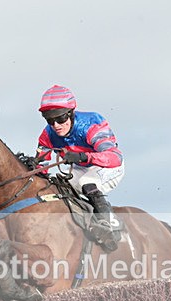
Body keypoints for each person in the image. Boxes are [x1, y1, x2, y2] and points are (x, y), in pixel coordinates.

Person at [35, 85, 124, 251]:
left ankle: (108, 225)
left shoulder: (91, 124)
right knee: (57, 186)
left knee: (87, 181)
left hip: (107, 166)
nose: (56, 125)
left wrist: (84, 156)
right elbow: (41, 166)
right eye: (49, 120)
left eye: (60, 119)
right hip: (81, 168)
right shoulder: (48, 134)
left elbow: (115, 157)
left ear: (70, 113)